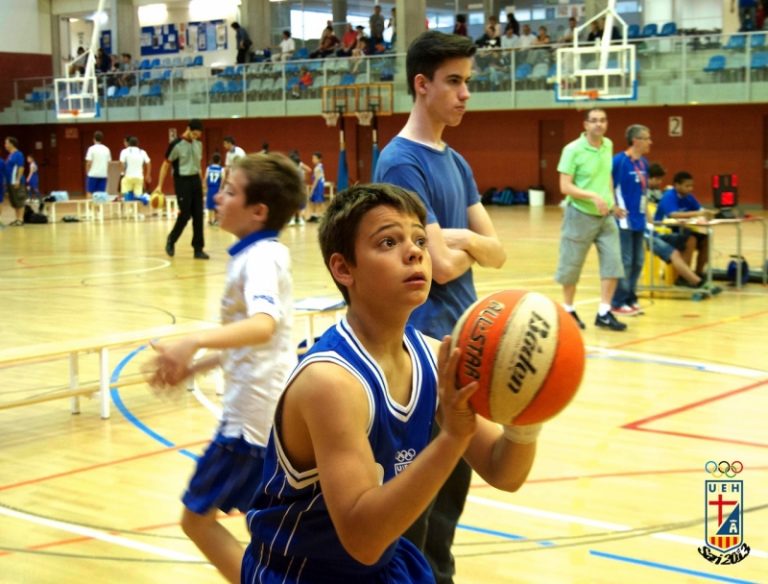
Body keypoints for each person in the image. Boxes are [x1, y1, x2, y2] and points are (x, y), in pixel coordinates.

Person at [242, 183, 540, 583]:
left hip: (383, 564)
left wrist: (528, 417)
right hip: (300, 572)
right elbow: (362, 540)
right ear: (343, 269)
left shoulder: (430, 356)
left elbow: (504, 472)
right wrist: (452, 438)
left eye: (420, 239)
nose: (415, 251)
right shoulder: (330, 382)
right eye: (388, 241)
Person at [374, 31, 507, 584]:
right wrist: (462, 248)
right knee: (416, 519)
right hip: (421, 354)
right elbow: (442, 267)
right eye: (454, 81)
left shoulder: (456, 162)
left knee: (447, 514)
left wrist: (460, 238)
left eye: (468, 82)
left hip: (462, 348)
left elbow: (496, 251)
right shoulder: (400, 162)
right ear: (422, 85)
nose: (465, 93)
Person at [147, 153, 305, 584]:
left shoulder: (260, 259)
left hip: (249, 425)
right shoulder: (261, 253)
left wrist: (194, 340)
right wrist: (196, 367)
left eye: (230, 191)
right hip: (265, 416)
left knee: (196, 520)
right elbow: (260, 340)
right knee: (270, 531)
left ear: (258, 212)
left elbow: (263, 325)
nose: (217, 197)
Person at [556, 108, 627, 332]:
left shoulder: (608, 145)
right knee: (571, 264)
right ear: (585, 125)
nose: (599, 124)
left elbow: (606, 176)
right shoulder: (572, 150)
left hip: (605, 216)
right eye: (594, 121)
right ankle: (568, 309)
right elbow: (565, 187)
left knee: (613, 263)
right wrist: (593, 196)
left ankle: (604, 312)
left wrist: (612, 202)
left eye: (603, 120)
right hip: (579, 214)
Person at [645, 165, 711, 288]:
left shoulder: (689, 197)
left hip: (681, 229)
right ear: (677, 185)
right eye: (687, 186)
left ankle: (698, 274)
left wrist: (707, 214)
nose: (690, 189)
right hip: (664, 230)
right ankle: (683, 278)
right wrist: (697, 214)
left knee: (706, 239)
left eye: (691, 186)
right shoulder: (669, 196)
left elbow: (701, 210)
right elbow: (673, 214)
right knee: (691, 240)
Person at [154, 119, 209, 260]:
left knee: (198, 215)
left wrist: (202, 182)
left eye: (198, 135)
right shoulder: (176, 145)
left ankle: (198, 249)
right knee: (185, 214)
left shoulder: (199, 144)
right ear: (188, 129)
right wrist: (159, 185)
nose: (196, 137)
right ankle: (171, 240)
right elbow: (165, 165)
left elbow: (198, 165)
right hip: (182, 181)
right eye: (194, 134)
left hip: (195, 181)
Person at [611, 124, 651, 316]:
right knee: (625, 261)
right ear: (636, 141)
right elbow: (607, 184)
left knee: (638, 261)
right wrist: (613, 206)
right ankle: (618, 301)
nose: (650, 142)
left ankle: (630, 298)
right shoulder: (619, 161)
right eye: (646, 138)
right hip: (624, 220)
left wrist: (648, 216)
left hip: (639, 219)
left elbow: (644, 191)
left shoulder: (644, 163)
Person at [119, 136, 152, 216]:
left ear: (129, 143)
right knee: (138, 195)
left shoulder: (124, 151)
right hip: (139, 177)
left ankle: (129, 212)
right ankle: (138, 211)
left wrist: (123, 172)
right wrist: (147, 175)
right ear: (137, 144)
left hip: (128, 177)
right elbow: (148, 162)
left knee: (127, 194)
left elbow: (121, 163)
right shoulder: (142, 152)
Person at [4, 137, 26, 226]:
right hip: (9, 181)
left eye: (6, 143)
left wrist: (18, 180)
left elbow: (21, 167)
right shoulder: (10, 155)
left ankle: (20, 219)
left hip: (16, 181)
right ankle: (17, 219)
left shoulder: (18, 154)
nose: (5, 145)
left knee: (19, 199)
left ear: (11, 144)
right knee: (14, 200)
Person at [85, 130, 111, 199]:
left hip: (93, 174)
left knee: (90, 192)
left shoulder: (91, 149)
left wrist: (87, 172)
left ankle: (90, 205)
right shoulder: (106, 149)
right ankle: (99, 206)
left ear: (94, 139)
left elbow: (89, 162)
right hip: (103, 174)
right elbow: (108, 163)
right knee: (101, 194)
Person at [287, 149, 310, 226]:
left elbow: (307, 172)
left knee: (297, 204)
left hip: (297, 189)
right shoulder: (294, 170)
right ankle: (295, 219)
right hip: (296, 189)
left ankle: (297, 219)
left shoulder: (298, 170)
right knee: (295, 204)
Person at [306, 152, 325, 222]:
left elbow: (316, 180)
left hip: (318, 186)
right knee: (314, 201)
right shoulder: (320, 166)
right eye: (312, 158)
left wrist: (312, 189)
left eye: (314, 158)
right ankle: (314, 215)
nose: (313, 160)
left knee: (318, 202)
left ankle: (321, 215)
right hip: (319, 185)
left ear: (319, 159)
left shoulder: (317, 168)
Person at [205, 153, 223, 226]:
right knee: (217, 204)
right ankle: (216, 220)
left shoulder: (208, 168)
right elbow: (222, 179)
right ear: (219, 161)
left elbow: (206, 178)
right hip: (217, 188)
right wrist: (221, 188)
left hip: (210, 187)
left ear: (212, 160)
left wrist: (206, 187)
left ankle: (210, 220)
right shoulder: (221, 169)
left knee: (210, 205)